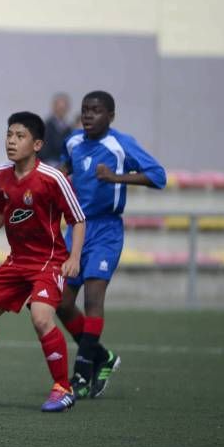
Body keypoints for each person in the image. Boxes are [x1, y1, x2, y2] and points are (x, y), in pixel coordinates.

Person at [0, 111, 86, 413]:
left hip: (48, 262)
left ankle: (63, 388)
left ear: (37, 144)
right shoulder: (2, 175)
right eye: (9, 135)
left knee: (40, 318)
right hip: (17, 261)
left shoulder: (53, 178)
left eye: (20, 136)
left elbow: (77, 219)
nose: (11, 142)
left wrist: (74, 257)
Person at [57, 90, 166, 399]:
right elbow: (67, 168)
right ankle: (101, 356)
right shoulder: (74, 142)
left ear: (111, 116)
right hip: (76, 228)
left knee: (93, 298)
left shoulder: (121, 144)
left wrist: (117, 178)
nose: (88, 115)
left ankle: (80, 374)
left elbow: (159, 176)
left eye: (96, 110)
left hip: (106, 230)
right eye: (85, 110)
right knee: (61, 302)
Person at [39, 93, 73, 165]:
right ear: (54, 107)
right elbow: (44, 150)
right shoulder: (46, 127)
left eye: (63, 108)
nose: (61, 110)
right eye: (60, 108)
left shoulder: (69, 128)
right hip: (49, 162)